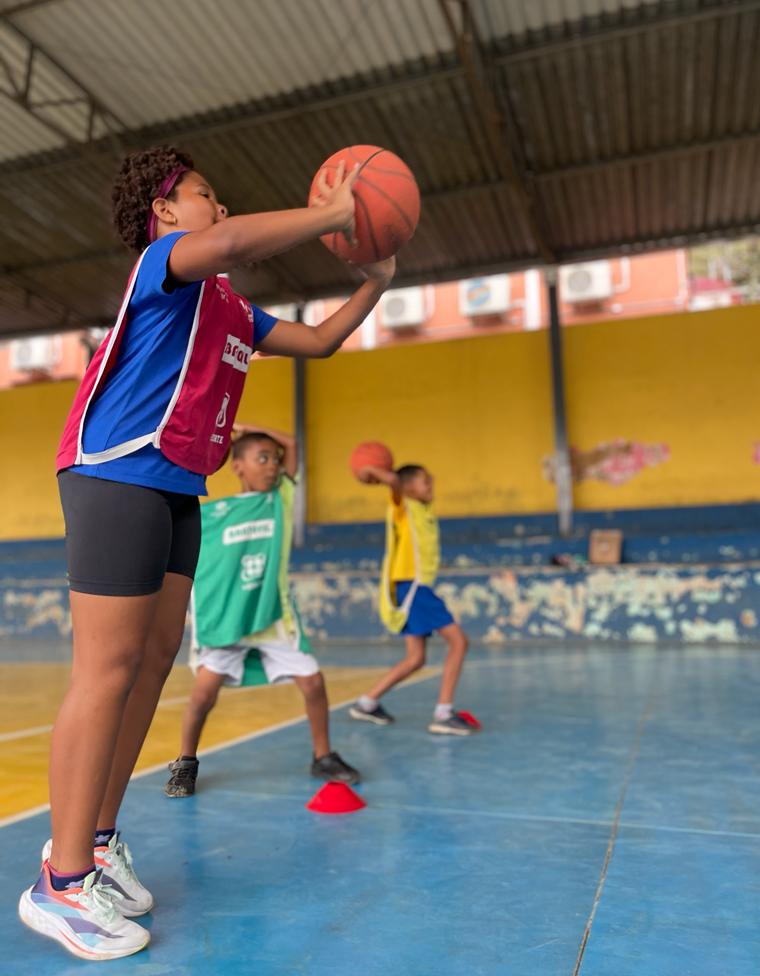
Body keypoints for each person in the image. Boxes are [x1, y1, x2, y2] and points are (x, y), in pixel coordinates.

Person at [19, 145, 394, 961]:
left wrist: (375, 281)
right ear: (164, 211)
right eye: (204, 194)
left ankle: (98, 842)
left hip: (177, 484)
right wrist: (332, 214)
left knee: (153, 664)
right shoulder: (164, 265)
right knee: (107, 670)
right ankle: (61, 881)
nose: (218, 207)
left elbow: (319, 340)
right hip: (115, 468)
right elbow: (227, 243)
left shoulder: (229, 309)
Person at [164, 424, 359, 797]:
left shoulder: (279, 500)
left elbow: (293, 443)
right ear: (237, 466)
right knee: (203, 696)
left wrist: (245, 430)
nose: (273, 466)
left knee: (313, 682)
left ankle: (323, 755)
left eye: (276, 460)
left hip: (271, 615)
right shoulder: (212, 513)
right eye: (263, 458)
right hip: (228, 619)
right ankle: (185, 762)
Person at [348, 463, 474, 735]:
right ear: (407, 488)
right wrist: (371, 470)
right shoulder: (402, 507)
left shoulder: (424, 509)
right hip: (413, 588)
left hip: (413, 588)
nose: (431, 484)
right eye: (425, 481)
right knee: (459, 642)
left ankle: (366, 703)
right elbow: (395, 483)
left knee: (416, 658)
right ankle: (443, 713)